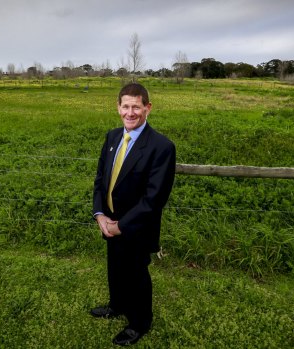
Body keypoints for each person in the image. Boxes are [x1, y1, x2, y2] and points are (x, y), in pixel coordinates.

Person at [91, 83, 176, 346]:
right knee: (115, 267)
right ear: (118, 107)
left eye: (136, 106)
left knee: (136, 274)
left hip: (137, 227)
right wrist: (100, 215)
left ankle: (139, 322)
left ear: (147, 108)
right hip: (109, 221)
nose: (130, 112)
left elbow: (154, 198)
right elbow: (100, 180)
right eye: (125, 106)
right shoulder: (112, 137)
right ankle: (117, 305)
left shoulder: (161, 147)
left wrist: (121, 226)